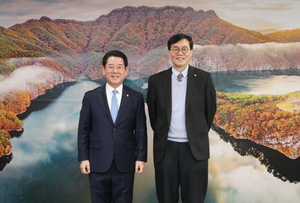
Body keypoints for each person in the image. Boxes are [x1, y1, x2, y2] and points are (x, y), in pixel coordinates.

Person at [147, 33, 216, 203]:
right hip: (166, 150)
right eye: (175, 49)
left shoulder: (203, 79)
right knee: (166, 198)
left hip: (194, 151)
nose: (180, 53)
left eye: (184, 49)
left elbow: (210, 111)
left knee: (194, 198)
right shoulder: (156, 80)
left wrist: (195, 133)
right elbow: (154, 115)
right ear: (169, 52)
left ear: (191, 52)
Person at [78, 50, 147, 203]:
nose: (115, 71)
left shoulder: (136, 98)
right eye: (110, 67)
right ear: (103, 69)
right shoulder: (91, 97)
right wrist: (83, 158)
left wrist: (141, 158)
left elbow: (141, 131)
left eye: (119, 67)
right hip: (97, 162)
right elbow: (84, 130)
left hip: (126, 162)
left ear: (126, 70)